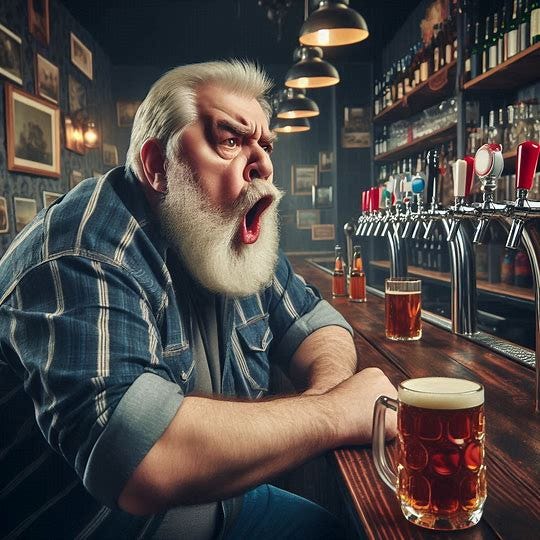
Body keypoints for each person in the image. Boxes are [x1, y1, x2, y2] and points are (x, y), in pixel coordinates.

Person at [0, 60, 397, 539]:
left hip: (222, 508)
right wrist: (335, 414)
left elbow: (319, 325)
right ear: (156, 166)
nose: (265, 165)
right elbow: (144, 461)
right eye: (230, 139)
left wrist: (324, 392)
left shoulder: (223, 235)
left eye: (265, 146)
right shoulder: (80, 251)